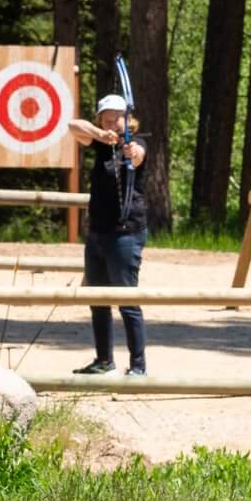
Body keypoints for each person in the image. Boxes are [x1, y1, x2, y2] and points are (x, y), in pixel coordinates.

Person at [70, 92, 148, 376]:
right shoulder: (101, 144)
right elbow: (73, 125)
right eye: (107, 117)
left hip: (125, 234)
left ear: (127, 118)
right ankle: (104, 361)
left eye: (117, 117)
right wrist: (101, 135)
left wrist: (130, 152)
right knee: (98, 298)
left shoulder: (137, 142)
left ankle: (138, 366)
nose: (112, 121)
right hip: (97, 233)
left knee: (127, 300)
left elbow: (138, 156)